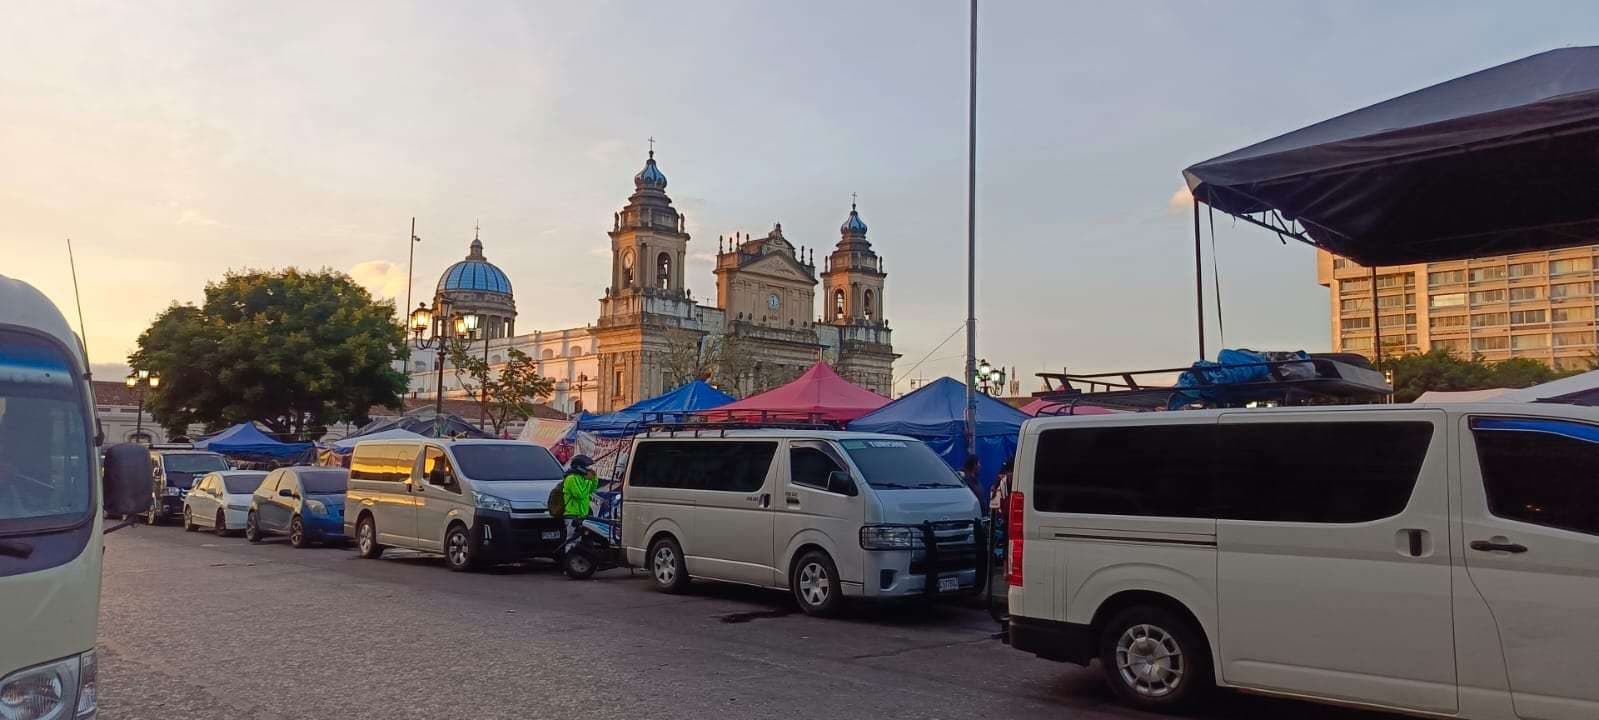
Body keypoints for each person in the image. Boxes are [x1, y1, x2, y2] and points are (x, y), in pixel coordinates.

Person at [561, 454, 598, 542]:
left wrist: (594, 478)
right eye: (586, 467)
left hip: (583, 515)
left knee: (584, 542)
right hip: (572, 515)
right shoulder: (571, 478)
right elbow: (579, 494)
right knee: (572, 540)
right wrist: (588, 481)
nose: (588, 469)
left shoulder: (582, 479)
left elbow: (592, 489)